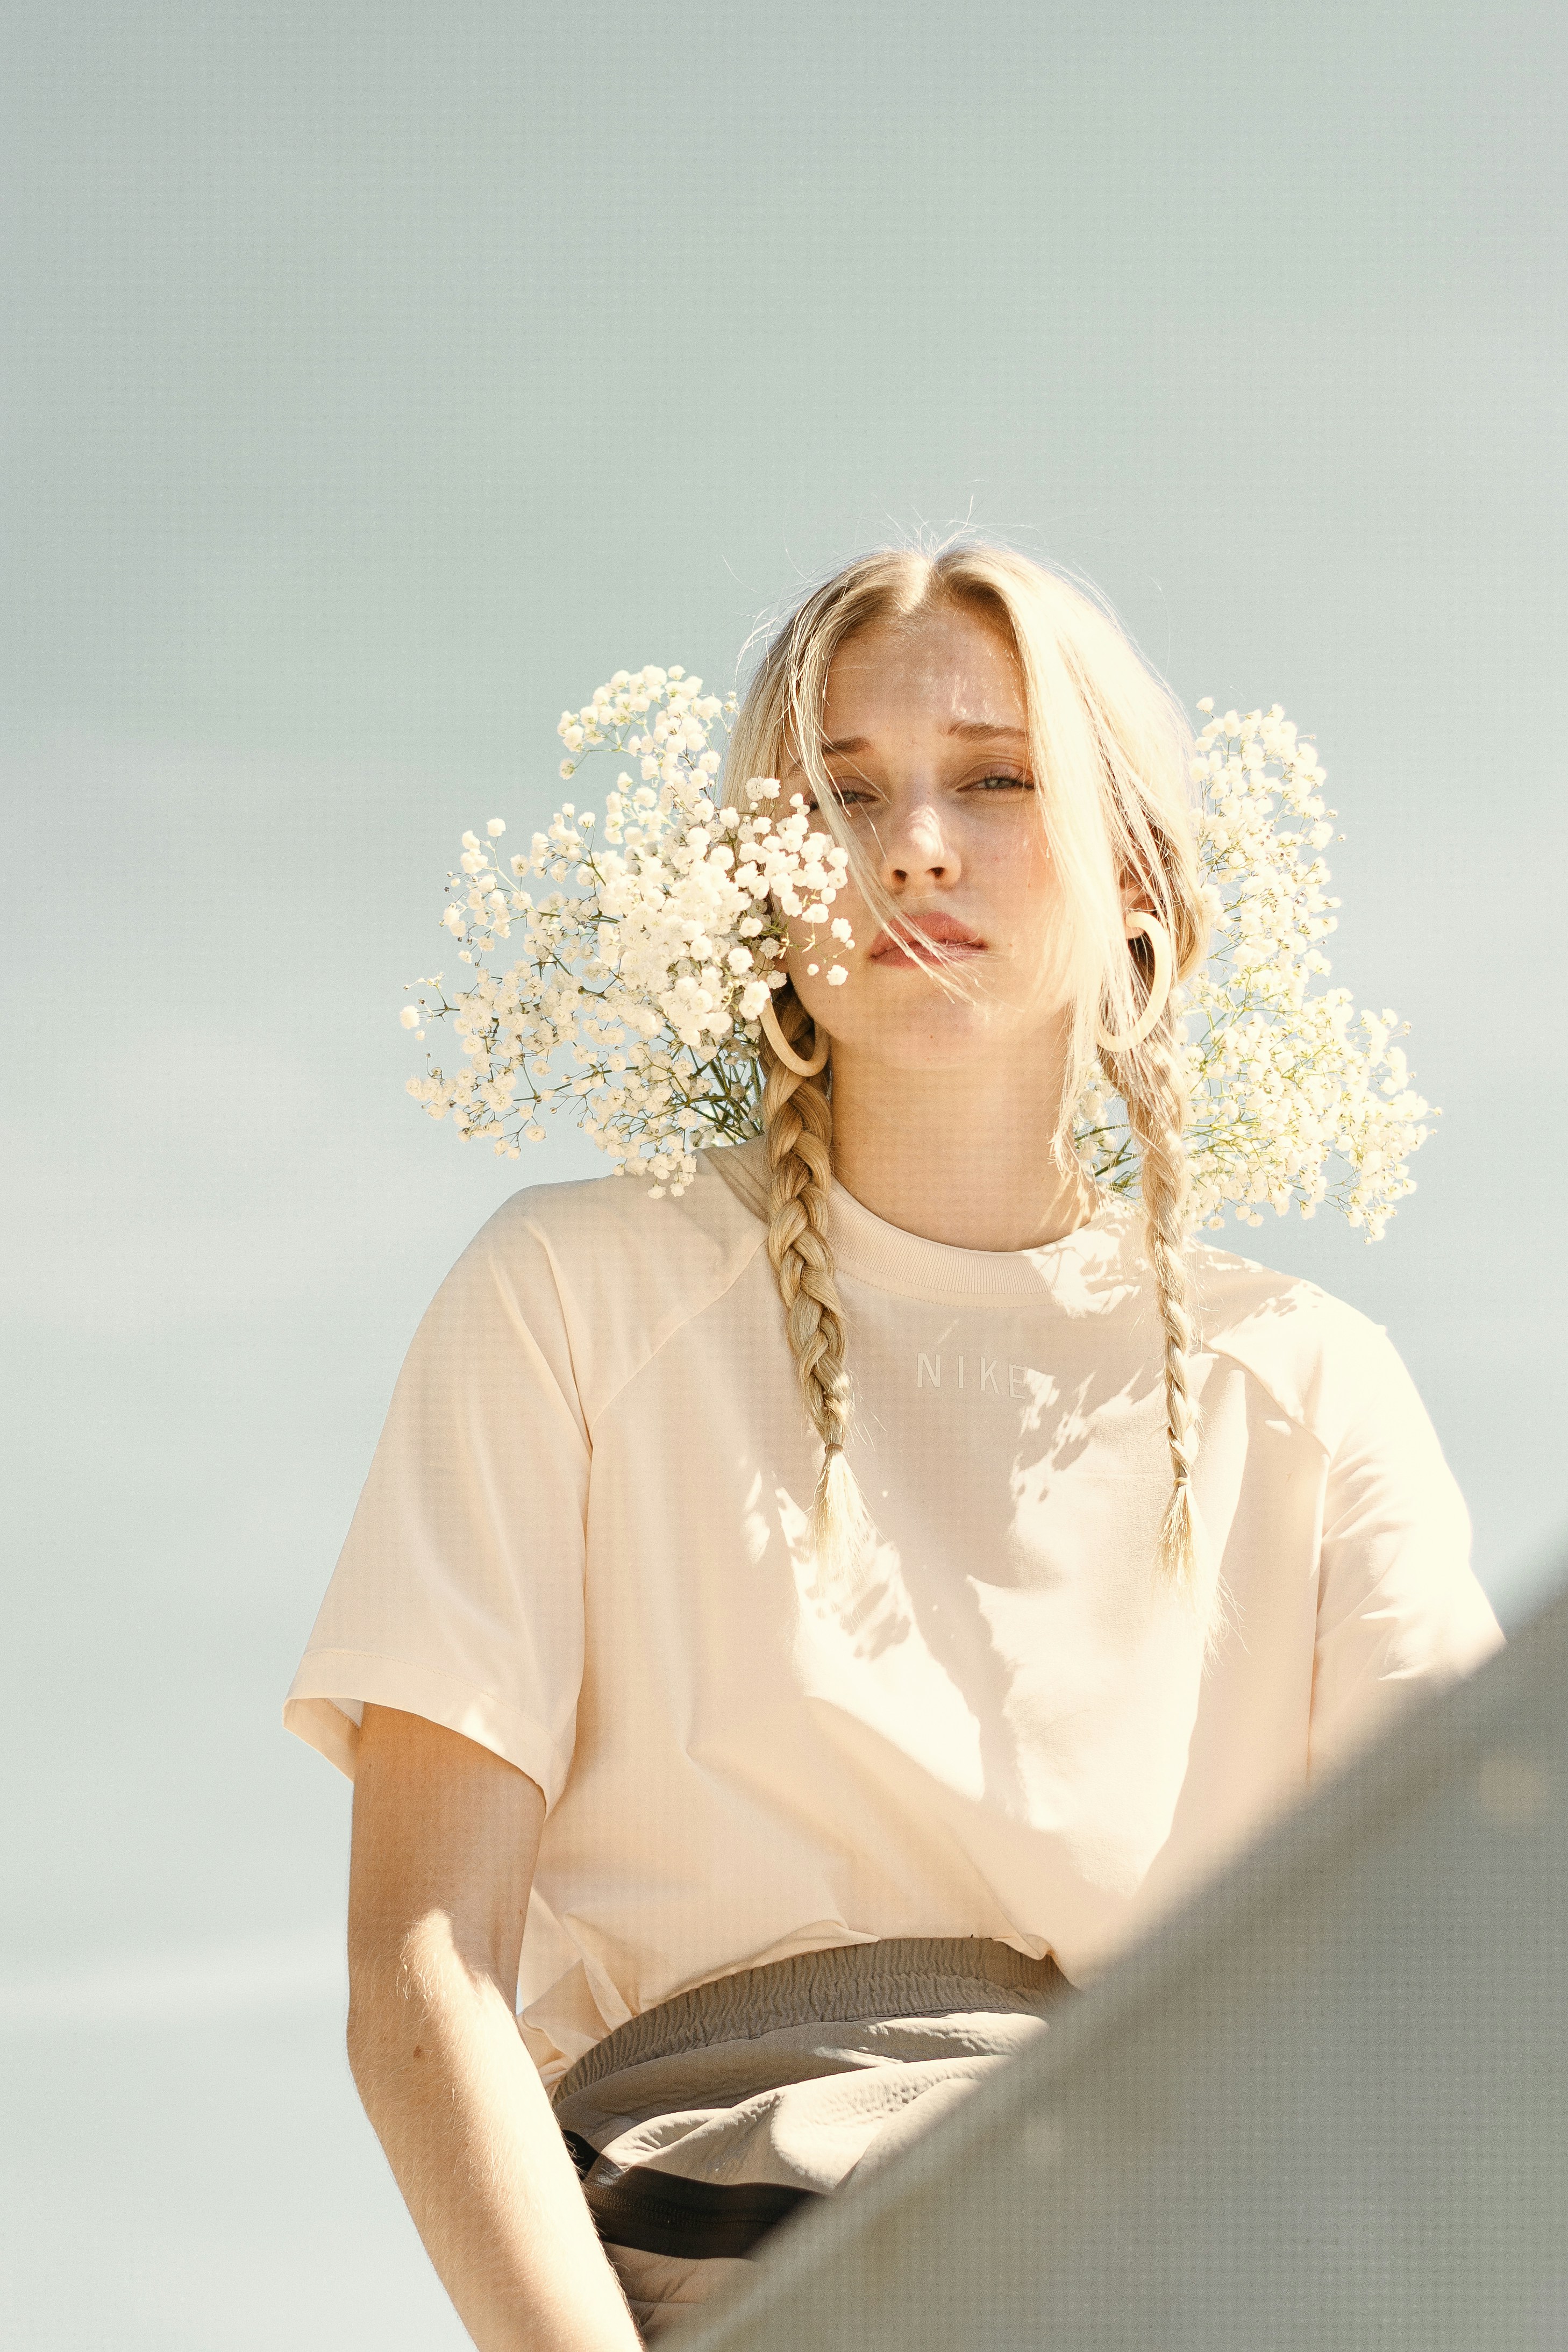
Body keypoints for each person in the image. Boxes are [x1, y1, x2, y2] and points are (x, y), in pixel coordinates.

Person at [285, 545, 1501, 2349]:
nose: (914, 847)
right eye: (842, 798)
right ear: (760, 881)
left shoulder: (1308, 1384)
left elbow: (1472, 1933)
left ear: (1135, 869)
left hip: (1190, 2234)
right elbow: (423, 1974)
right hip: (738, 2234)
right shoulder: (575, 1297)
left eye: (995, 779)